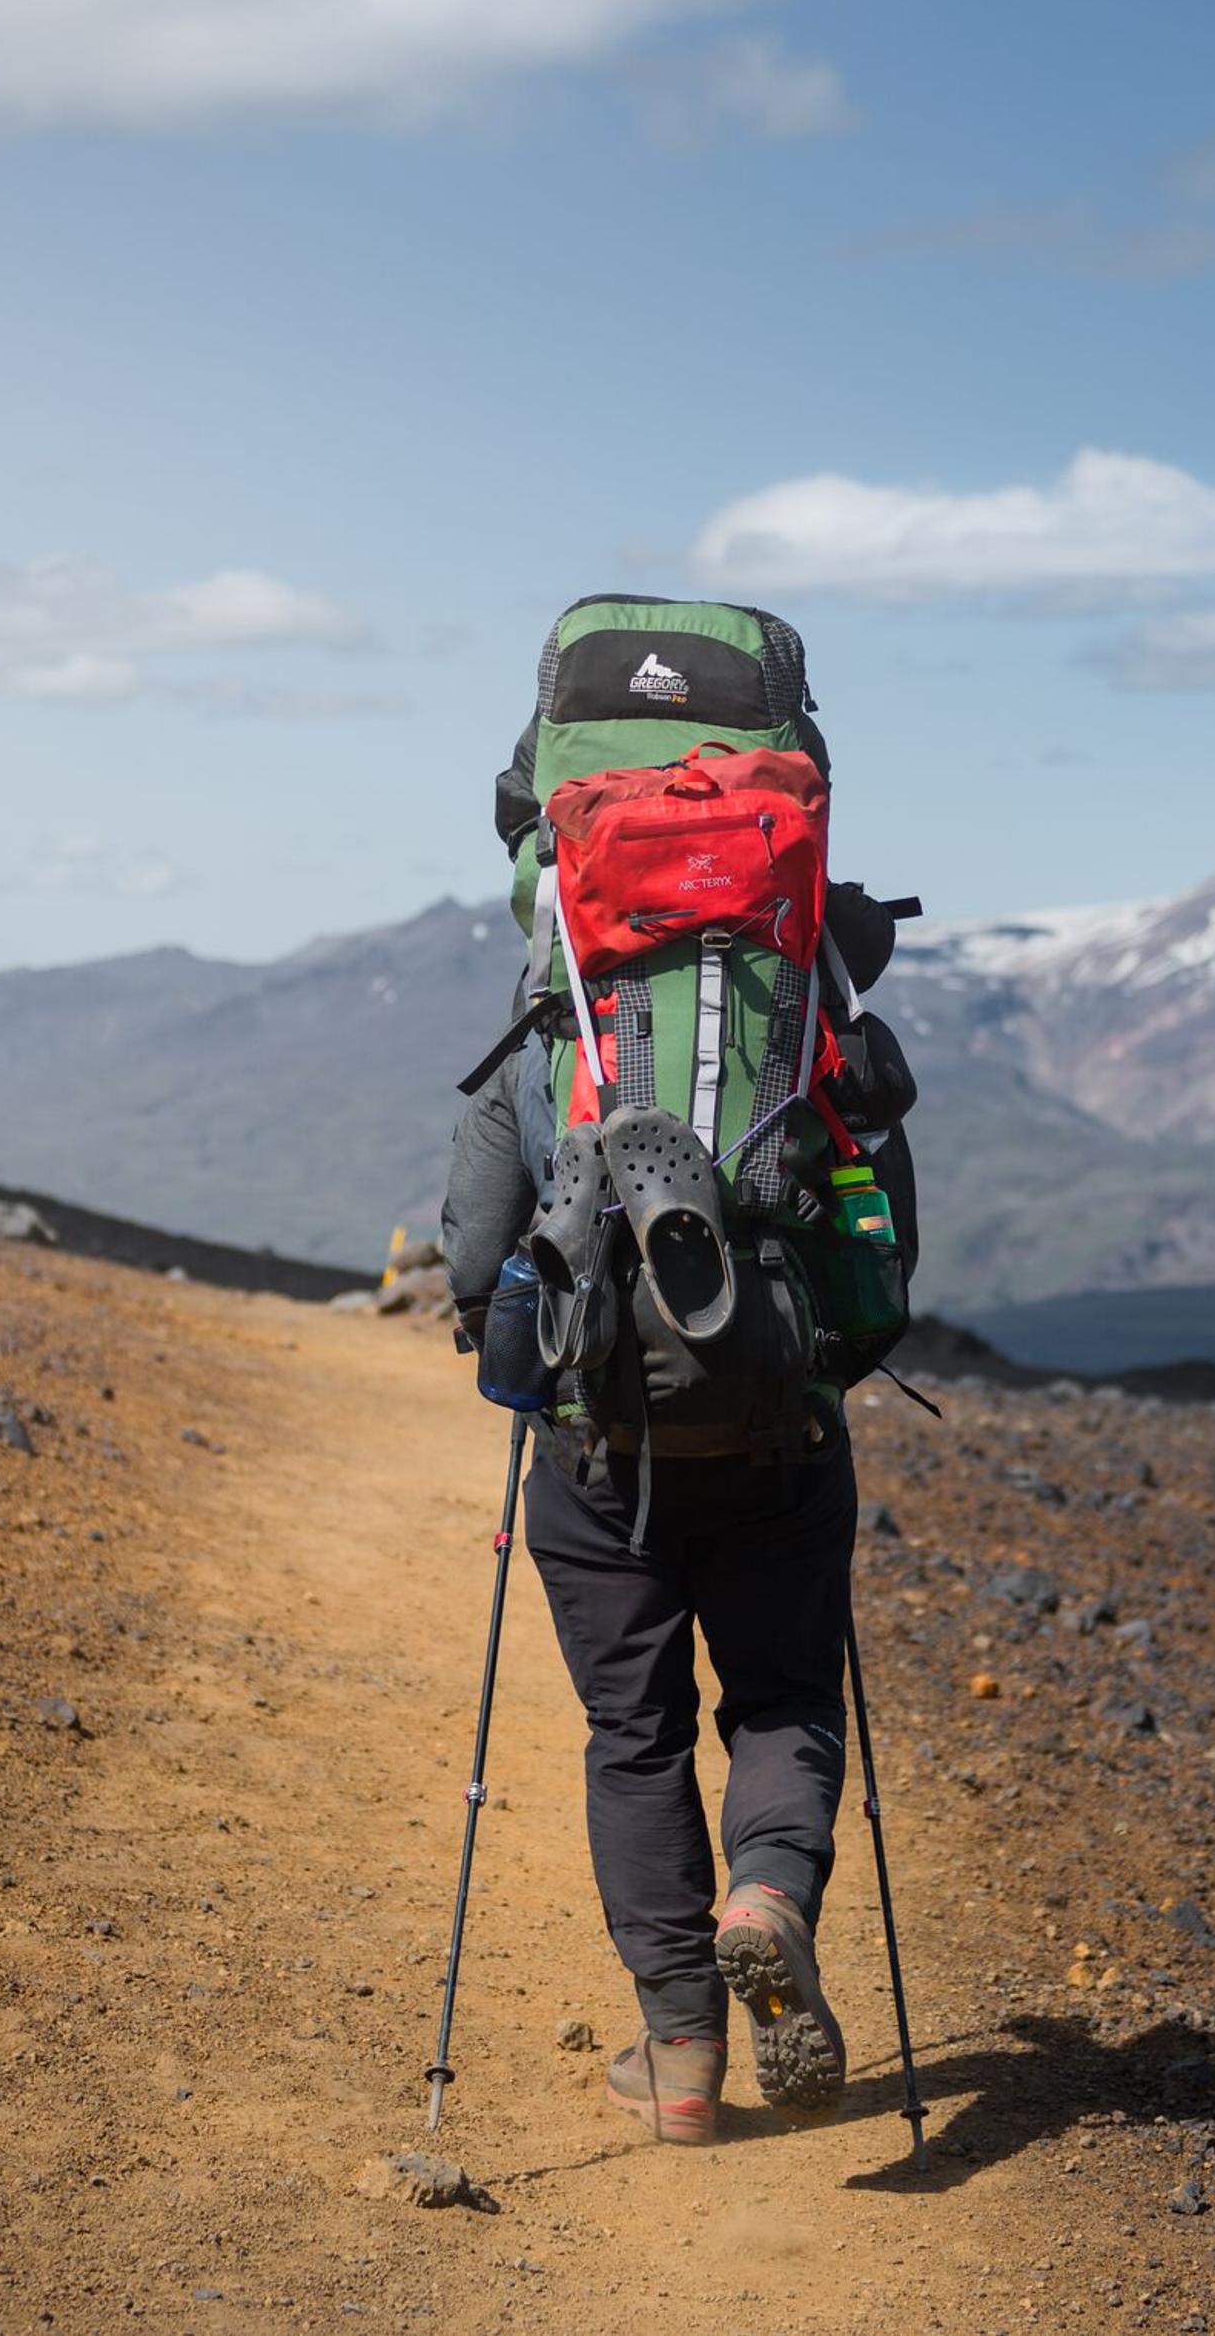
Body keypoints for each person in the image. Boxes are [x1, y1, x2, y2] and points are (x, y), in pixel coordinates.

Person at [439, 682, 918, 2149]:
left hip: (602, 1443)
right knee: (779, 1698)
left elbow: (471, 1253)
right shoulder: (803, 1008)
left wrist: (515, 1344)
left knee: (630, 1733)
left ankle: (682, 2055)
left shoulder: (555, 1023)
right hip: (781, 1428)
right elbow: (885, 1247)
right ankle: (767, 1891)